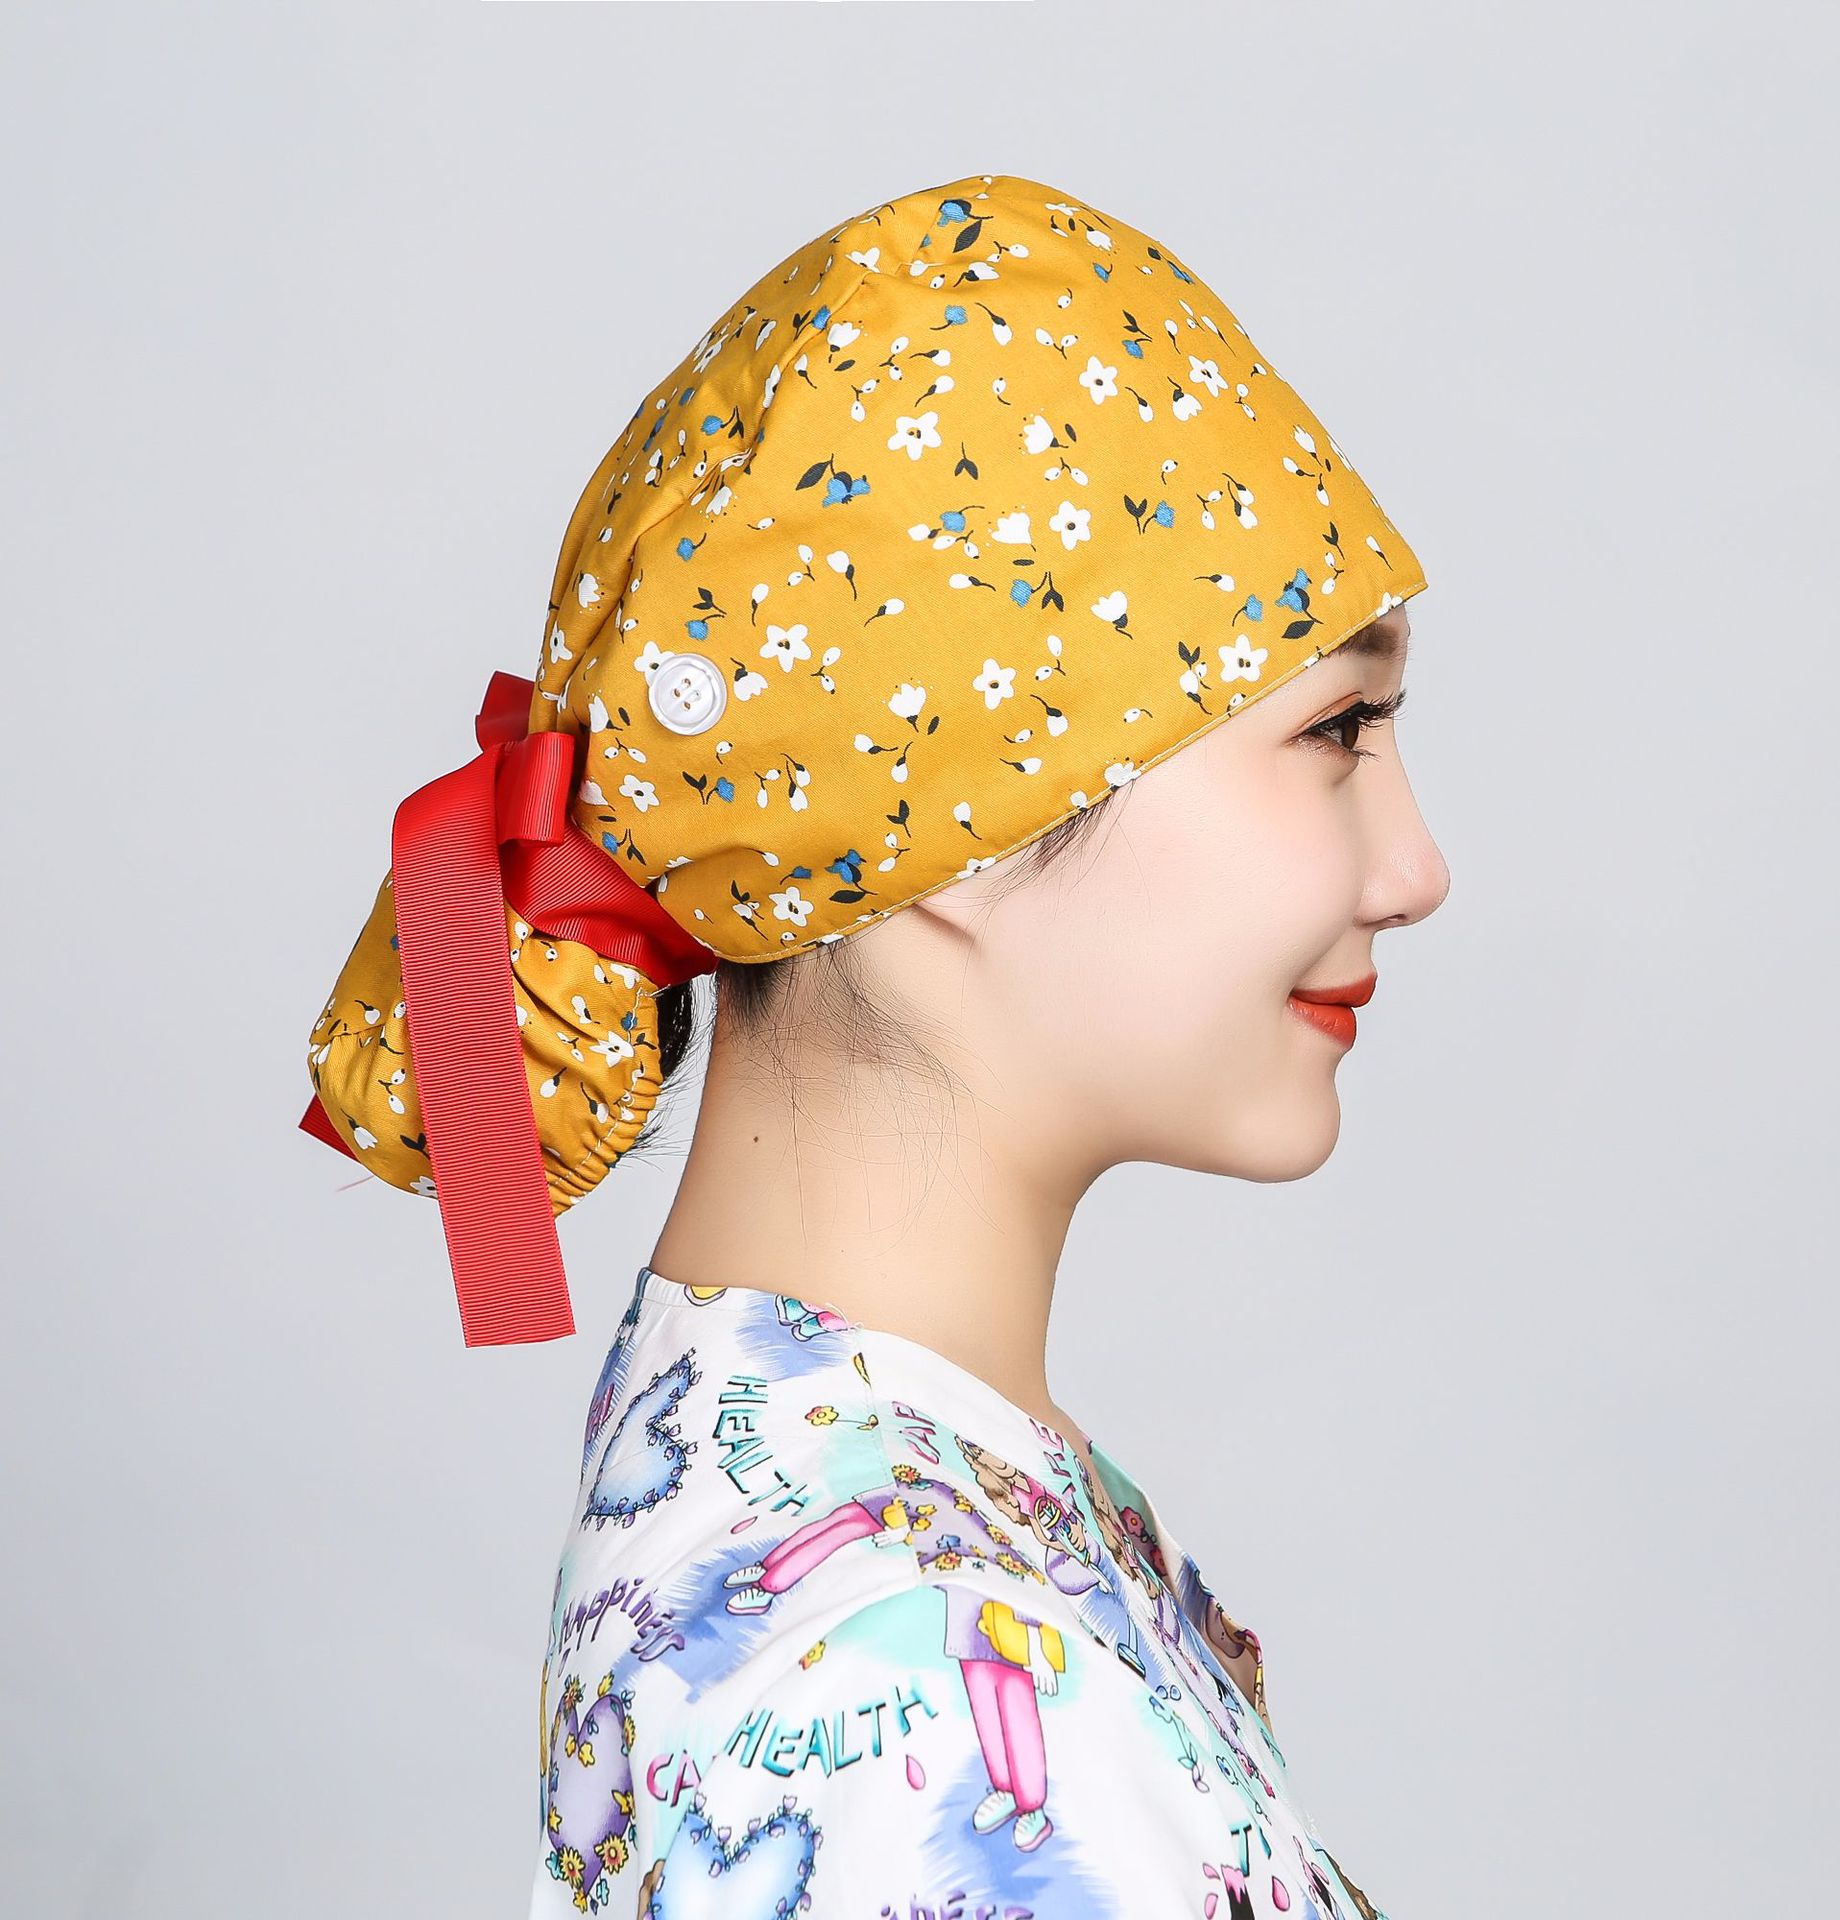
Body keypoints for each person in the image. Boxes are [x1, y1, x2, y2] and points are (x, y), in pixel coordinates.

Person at [300, 171, 1443, 1918]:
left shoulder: (845, 1478)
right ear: (954, 817)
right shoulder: (932, 1712)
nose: (1417, 868)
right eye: (1338, 730)